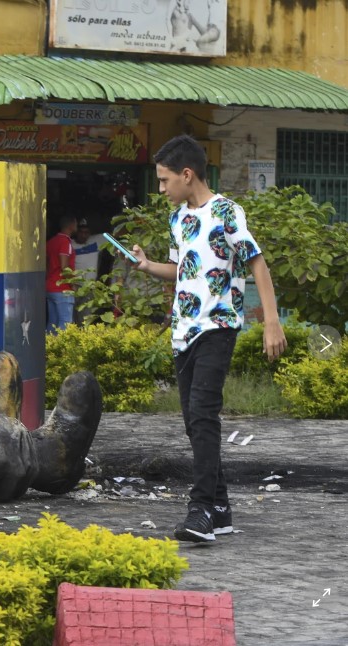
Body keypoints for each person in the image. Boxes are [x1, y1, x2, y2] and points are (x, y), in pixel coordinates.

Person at [129, 135, 286, 543]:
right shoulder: (178, 219)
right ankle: (220, 509)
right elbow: (182, 269)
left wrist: (272, 322)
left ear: (187, 174)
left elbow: (257, 263)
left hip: (218, 326)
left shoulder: (227, 212)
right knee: (194, 424)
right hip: (183, 332)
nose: (161, 189)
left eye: (165, 180)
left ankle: (199, 510)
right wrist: (147, 266)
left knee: (202, 416)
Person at [71, 219, 108, 324]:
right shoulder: (69, 244)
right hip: (73, 287)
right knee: (71, 320)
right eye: (81, 232)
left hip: (89, 288)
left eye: (86, 232)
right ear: (76, 232)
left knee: (86, 319)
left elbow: (117, 233)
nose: (83, 235)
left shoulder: (96, 240)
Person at [46, 215, 77, 334]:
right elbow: (65, 267)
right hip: (62, 288)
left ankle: (49, 350)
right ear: (71, 225)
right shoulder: (65, 242)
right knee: (65, 322)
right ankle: (63, 352)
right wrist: (72, 284)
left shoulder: (51, 242)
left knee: (52, 323)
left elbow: (47, 264)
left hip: (50, 286)